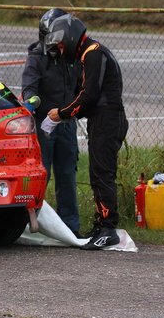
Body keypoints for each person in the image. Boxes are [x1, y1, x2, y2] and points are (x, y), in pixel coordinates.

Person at [45, 13, 128, 250]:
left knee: (103, 174)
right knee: (97, 173)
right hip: (101, 119)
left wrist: (62, 113)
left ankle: (108, 229)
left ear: (70, 37)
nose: (61, 52)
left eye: (61, 46)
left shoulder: (93, 53)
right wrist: (68, 113)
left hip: (108, 120)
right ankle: (101, 224)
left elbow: (89, 95)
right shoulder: (86, 53)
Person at [21, 8, 81, 237]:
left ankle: (69, 226)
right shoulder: (37, 56)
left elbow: (81, 86)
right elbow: (29, 84)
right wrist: (30, 100)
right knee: (40, 174)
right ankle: (32, 225)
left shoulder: (74, 56)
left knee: (67, 174)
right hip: (43, 125)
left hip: (66, 123)